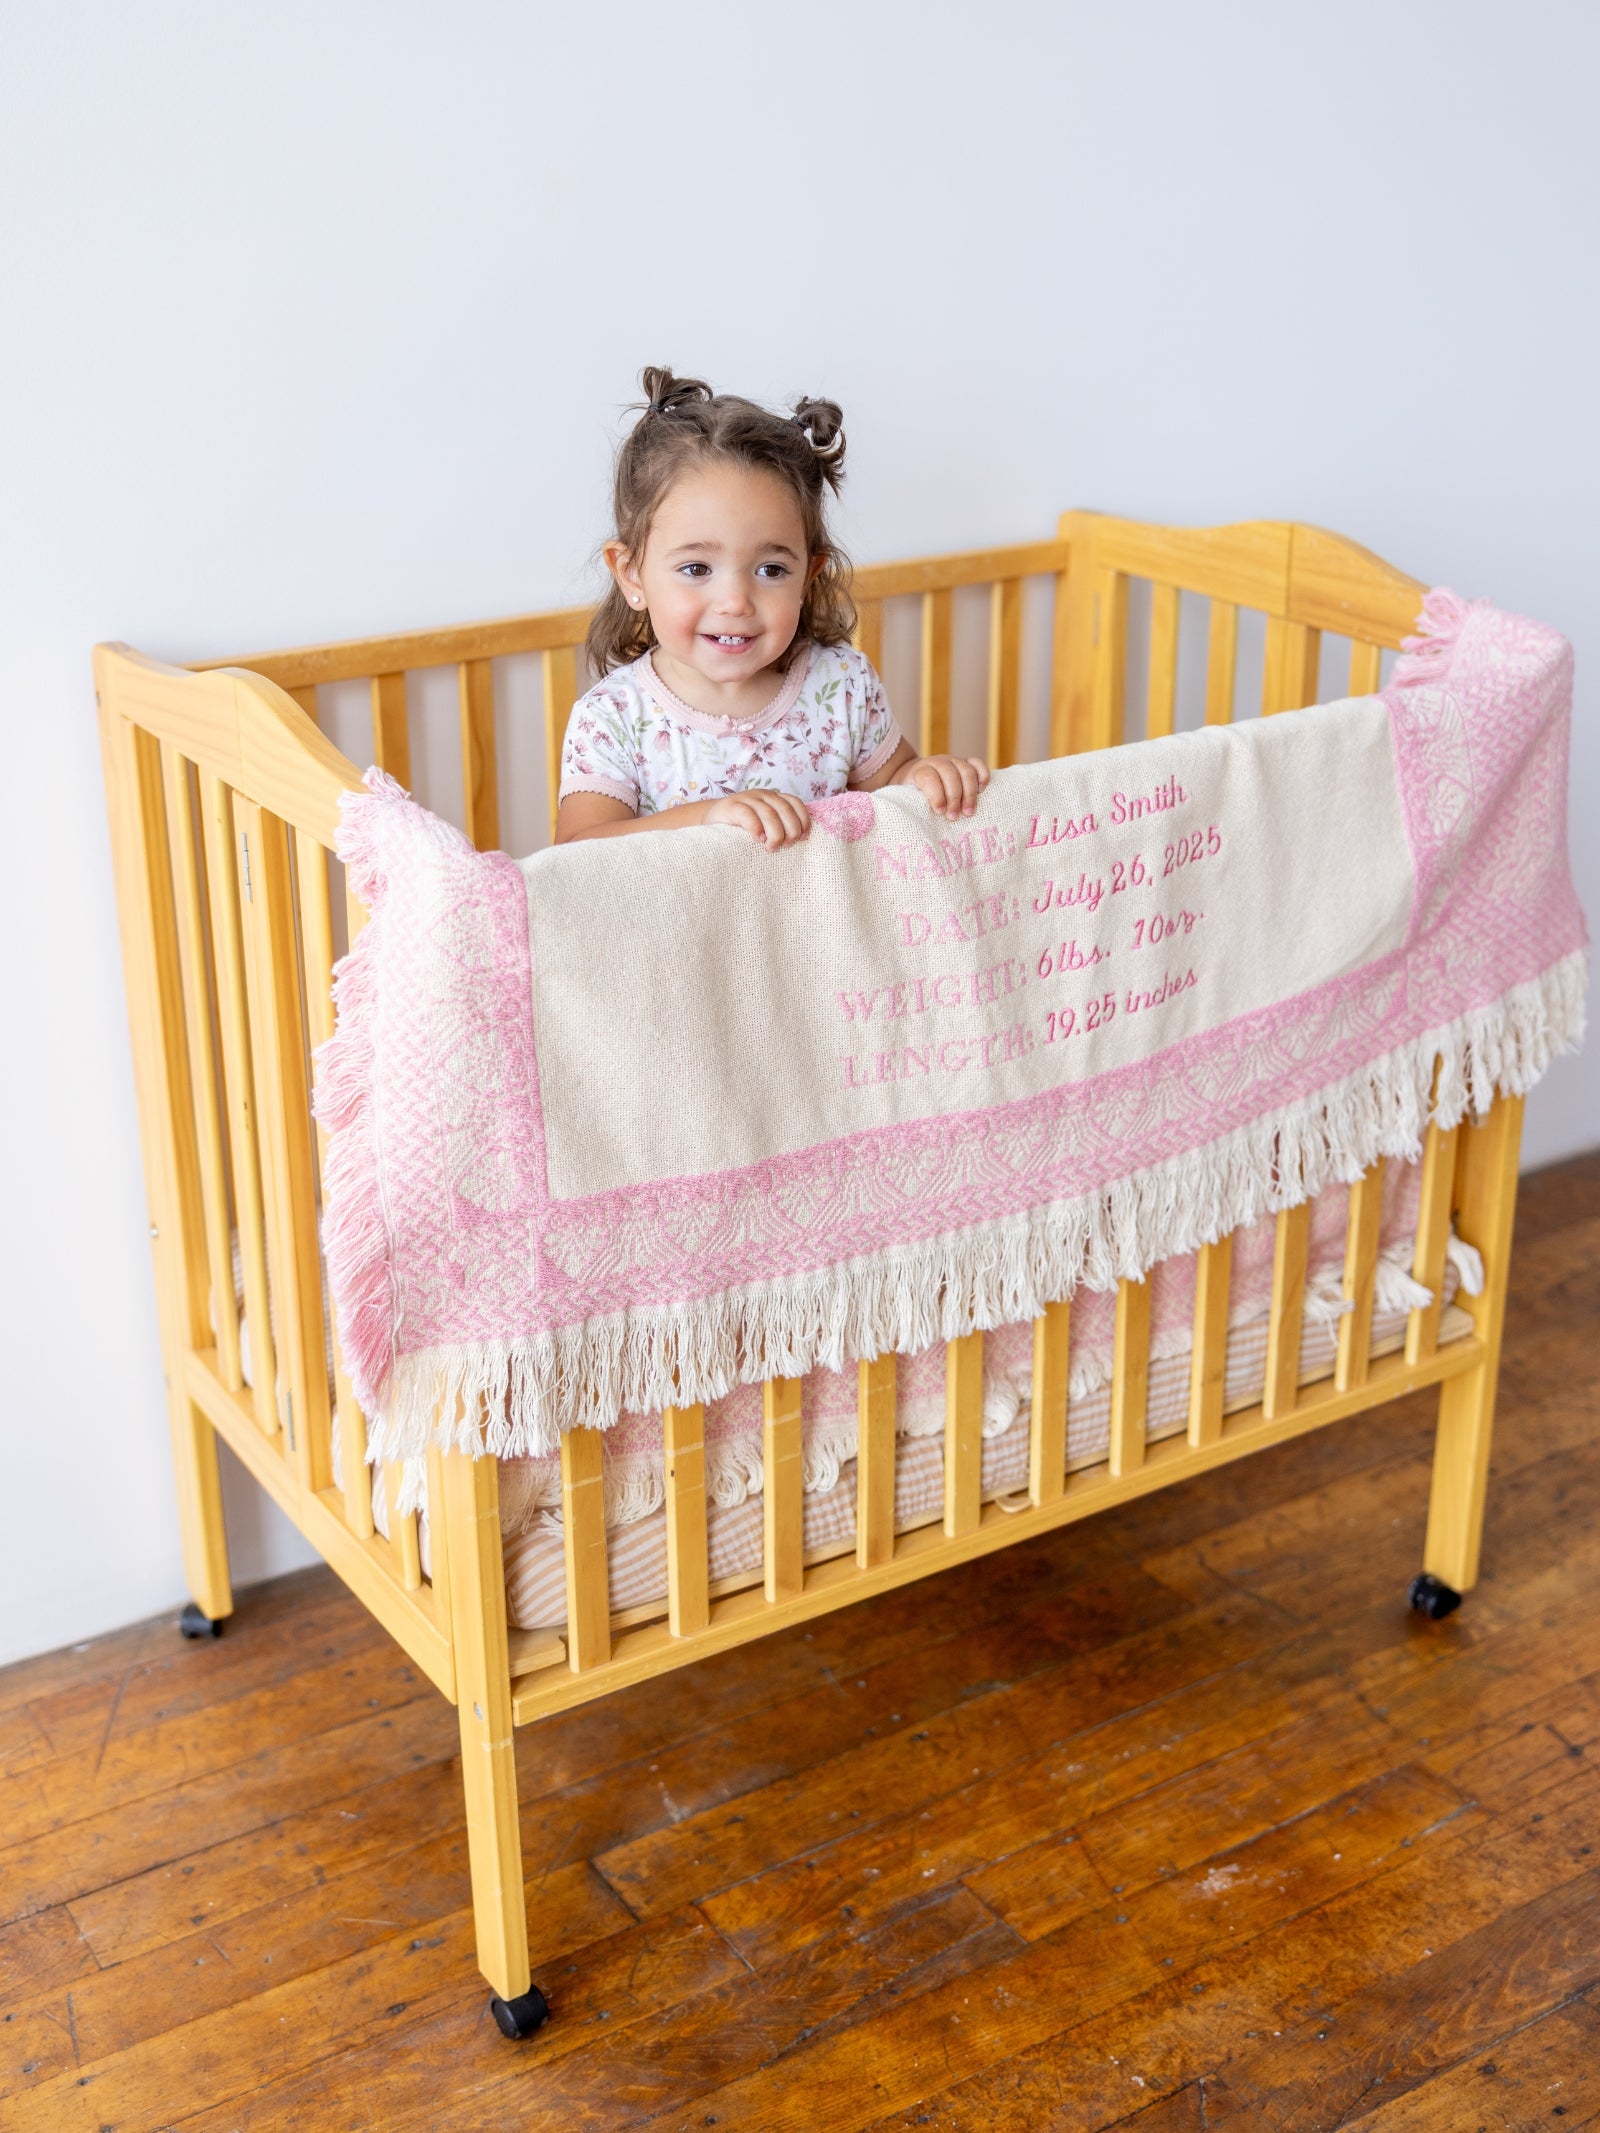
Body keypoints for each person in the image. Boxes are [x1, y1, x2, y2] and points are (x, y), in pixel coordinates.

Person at [556, 367, 988, 849]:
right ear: (631, 573)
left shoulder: (842, 688)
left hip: (822, 924)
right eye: (697, 569)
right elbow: (580, 851)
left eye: (771, 570)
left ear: (808, 576)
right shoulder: (613, 717)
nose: (736, 602)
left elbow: (895, 785)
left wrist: (927, 777)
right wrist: (707, 819)